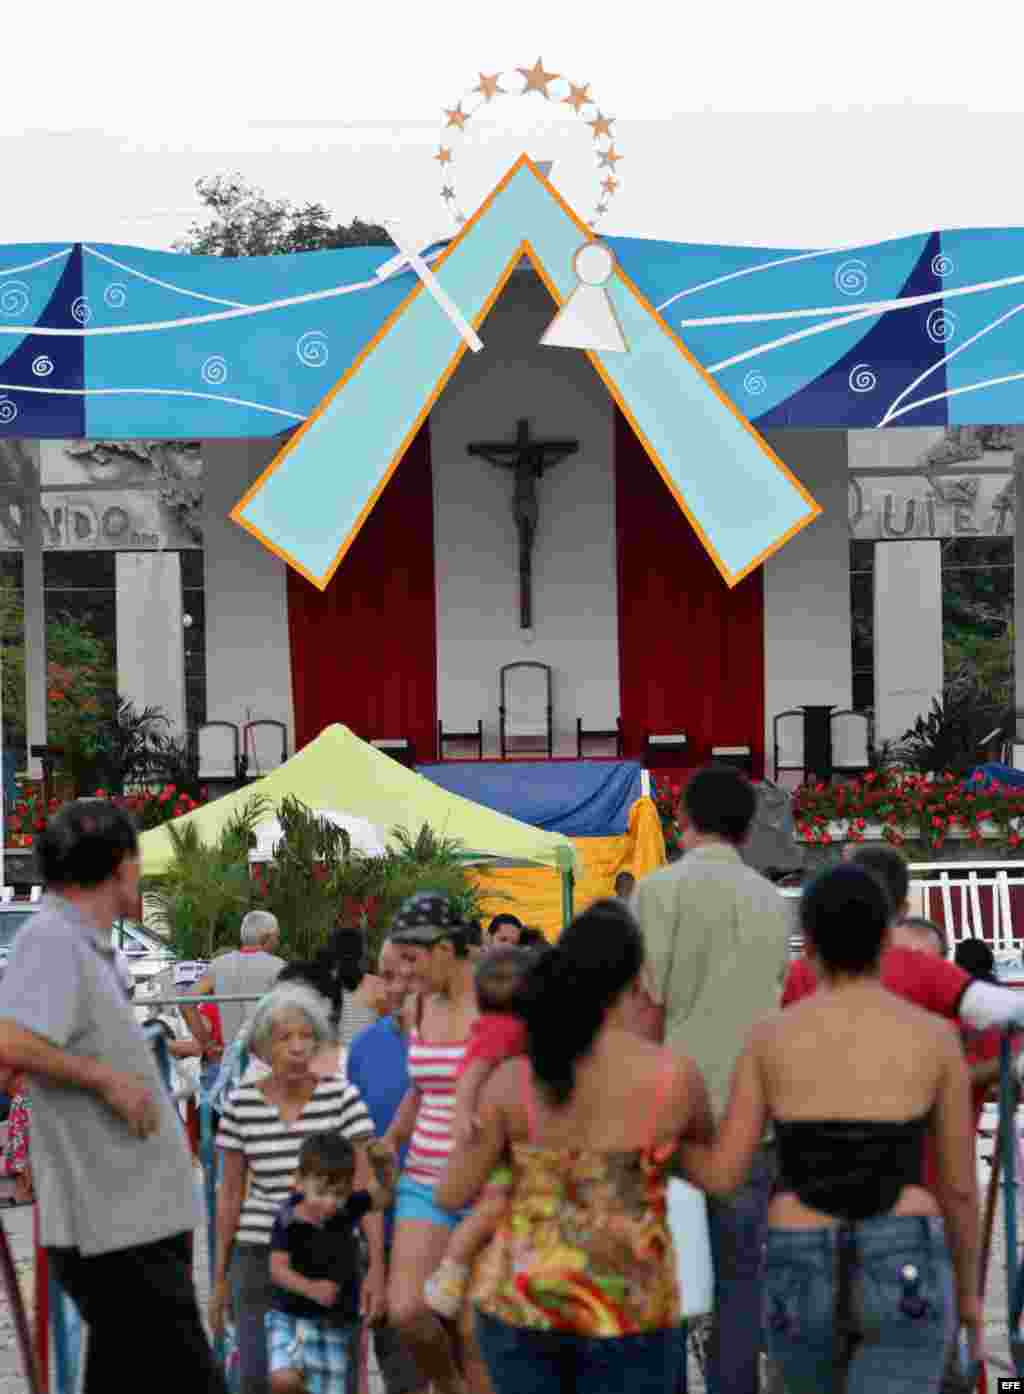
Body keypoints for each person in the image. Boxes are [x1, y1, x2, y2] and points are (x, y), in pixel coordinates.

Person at [679, 863, 979, 1393]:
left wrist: (665, 1142)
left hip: (799, 1240)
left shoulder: (770, 1036)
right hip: (903, 1238)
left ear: (809, 940)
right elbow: (957, 1188)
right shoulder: (933, 1038)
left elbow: (727, 1173)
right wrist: (971, 1294)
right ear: (888, 937)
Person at [434, 898, 713, 1394]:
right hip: (630, 1307)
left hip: (523, 1305)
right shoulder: (673, 1076)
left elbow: (451, 1194)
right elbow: (717, 1173)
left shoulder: (515, 1078)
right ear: (634, 982)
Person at [0, 799, 225, 1393]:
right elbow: (9, 1041)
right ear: (119, 864)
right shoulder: (51, 939)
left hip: (135, 1215)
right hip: (115, 1223)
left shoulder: (82, 943)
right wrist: (105, 1080)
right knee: (189, 1378)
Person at [630, 763, 791, 1394]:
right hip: (753, 1119)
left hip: (672, 1118)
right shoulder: (770, 902)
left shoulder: (657, 892)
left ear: (683, 820)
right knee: (740, 1280)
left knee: (664, 1276)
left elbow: (648, 1008)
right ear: (749, 828)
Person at [209, 982, 384, 1394]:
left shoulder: (342, 1099)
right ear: (263, 1048)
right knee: (256, 1377)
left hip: (332, 1254)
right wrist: (219, 1278)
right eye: (285, 1037)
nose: (297, 1047)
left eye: (307, 1037)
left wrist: (376, 1265)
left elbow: (366, 1186)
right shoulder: (241, 1105)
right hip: (258, 1253)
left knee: (330, 1380)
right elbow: (229, 1195)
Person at [382, 893, 480, 1394]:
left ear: (445, 949)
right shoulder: (418, 1006)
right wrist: (392, 1137)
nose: (407, 974)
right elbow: (422, 1088)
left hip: (486, 1185)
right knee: (407, 1310)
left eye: (413, 960)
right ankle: (448, 1386)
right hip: (423, 1176)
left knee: (474, 1332)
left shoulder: (494, 1003)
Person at [425, 946, 534, 1319]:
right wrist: (463, 1112)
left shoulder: (503, 1025)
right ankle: (451, 1273)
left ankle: (456, 1272)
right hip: (489, 1130)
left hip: (498, 1130)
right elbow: (473, 1071)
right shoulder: (505, 1029)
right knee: (492, 1206)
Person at [348, 940, 428, 1394]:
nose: (397, 987)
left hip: (458, 1244)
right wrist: (373, 1264)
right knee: (403, 1379)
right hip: (390, 1243)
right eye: (387, 975)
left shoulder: (471, 1045)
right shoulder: (363, 1050)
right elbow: (364, 1160)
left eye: (408, 975)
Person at [267, 1132, 398, 1394]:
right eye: (322, 1192)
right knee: (283, 1379)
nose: (330, 1202)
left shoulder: (346, 1208)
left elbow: (383, 1196)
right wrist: (310, 1288)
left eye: (339, 1194)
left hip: (333, 1325)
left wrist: (383, 1169)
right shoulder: (288, 1218)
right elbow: (277, 1269)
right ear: (299, 1182)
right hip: (291, 1318)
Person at [184, 909, 285, 1060]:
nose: (277, 942)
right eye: (276, 937)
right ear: (267, 938)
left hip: (229, 1059)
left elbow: (186, 1003)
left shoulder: (218, 965)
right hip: (266, 1061)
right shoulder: (279, 967)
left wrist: (207, 1045)